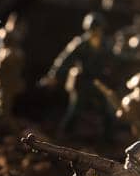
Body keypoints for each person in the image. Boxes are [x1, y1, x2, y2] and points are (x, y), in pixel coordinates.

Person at [45, 12, 117, 140]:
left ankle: (109, 137)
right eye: (93, 29)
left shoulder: (105, 44)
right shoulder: (81, 43)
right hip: (82, 82)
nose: (96, 32)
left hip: (98, 82)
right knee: (76, 109)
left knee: (106, 109)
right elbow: (65, 59)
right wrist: (54, 75)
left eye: (98, 28)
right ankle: (64, 134)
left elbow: (114, 59)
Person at [0, 14, 27, 120]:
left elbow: (16, 71)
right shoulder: (5, 52)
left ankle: (2, 121)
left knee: (3, 103)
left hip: (7, 83)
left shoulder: (14, 54)